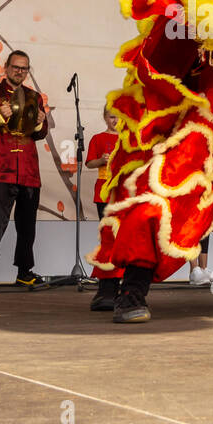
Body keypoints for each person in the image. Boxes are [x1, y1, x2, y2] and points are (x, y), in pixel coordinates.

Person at [0, 50, 51, 288]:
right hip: (2, 166)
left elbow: (41, 133)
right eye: (16, 67)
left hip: (28, 168)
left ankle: (24, 272)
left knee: (28, 224)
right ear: (6, 67)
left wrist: (39, 122)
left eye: (24, 68)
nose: (19, 72)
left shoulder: (34, 97)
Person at [86, 107, 121, 310]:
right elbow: (90, 163)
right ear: (105, 118)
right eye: (111, 116)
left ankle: (119, 282)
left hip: (124, 192)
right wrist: (102, 160)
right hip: (104, 191)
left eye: (118, 116)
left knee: (122, 237)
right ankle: (107, 284)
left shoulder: (129, 137)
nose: (115, 120)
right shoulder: (98, 138)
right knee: (108, 237)